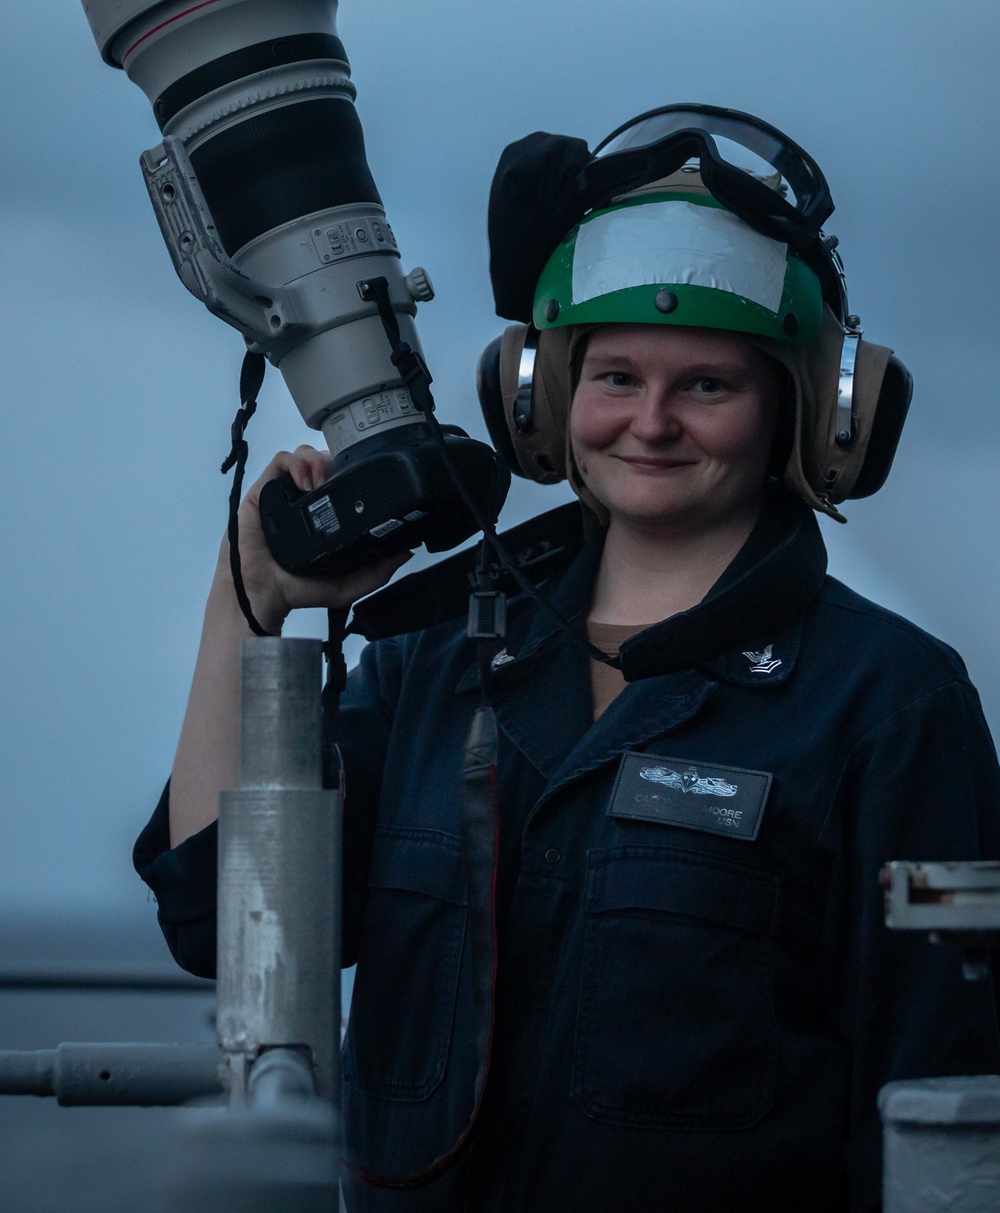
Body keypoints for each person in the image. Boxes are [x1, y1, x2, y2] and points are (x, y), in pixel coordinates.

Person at [135, 105, 1000, 1213]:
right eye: (616, 378)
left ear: (808, 415)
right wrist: (246, 609)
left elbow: (934, 1084)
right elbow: (220, 922)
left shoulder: (885, 701)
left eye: (707, 386)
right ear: (542, 398)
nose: (650, 423)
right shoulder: (429, 663)